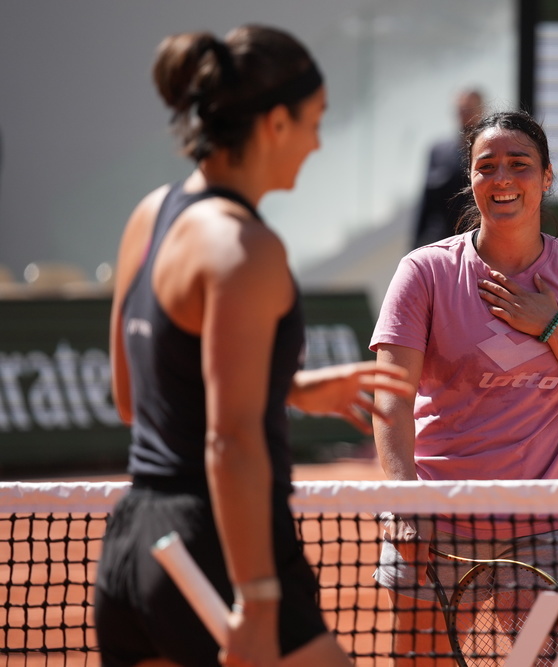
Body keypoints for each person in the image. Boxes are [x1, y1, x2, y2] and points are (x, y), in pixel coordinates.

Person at [94, 25, 413, 667]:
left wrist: (285, 389)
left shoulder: (150, 215)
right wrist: (260, 603)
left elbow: (134, 397)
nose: (317, 142)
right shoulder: (244, 247)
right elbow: (231, 439)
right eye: (314, 121)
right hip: (218, 551)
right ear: (275, 123)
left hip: (133, 549)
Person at [370, 109, 558, 664]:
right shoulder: (424, 272)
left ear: (546, 177)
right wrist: (405, 502)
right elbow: (391, 399)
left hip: (553, 523)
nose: (502, 179)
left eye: (519, 164)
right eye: (486, 166)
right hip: (439, 517)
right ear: (470, 178)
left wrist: (554, 326)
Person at [411, 88, 485, 249]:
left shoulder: (491, 152)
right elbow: (426, 202)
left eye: (469, 110)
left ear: (482, 111)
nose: (464, 116)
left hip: (481, 242)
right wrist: (415, 245)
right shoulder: (440, 152)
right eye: (460, 110)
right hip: (446, 242)